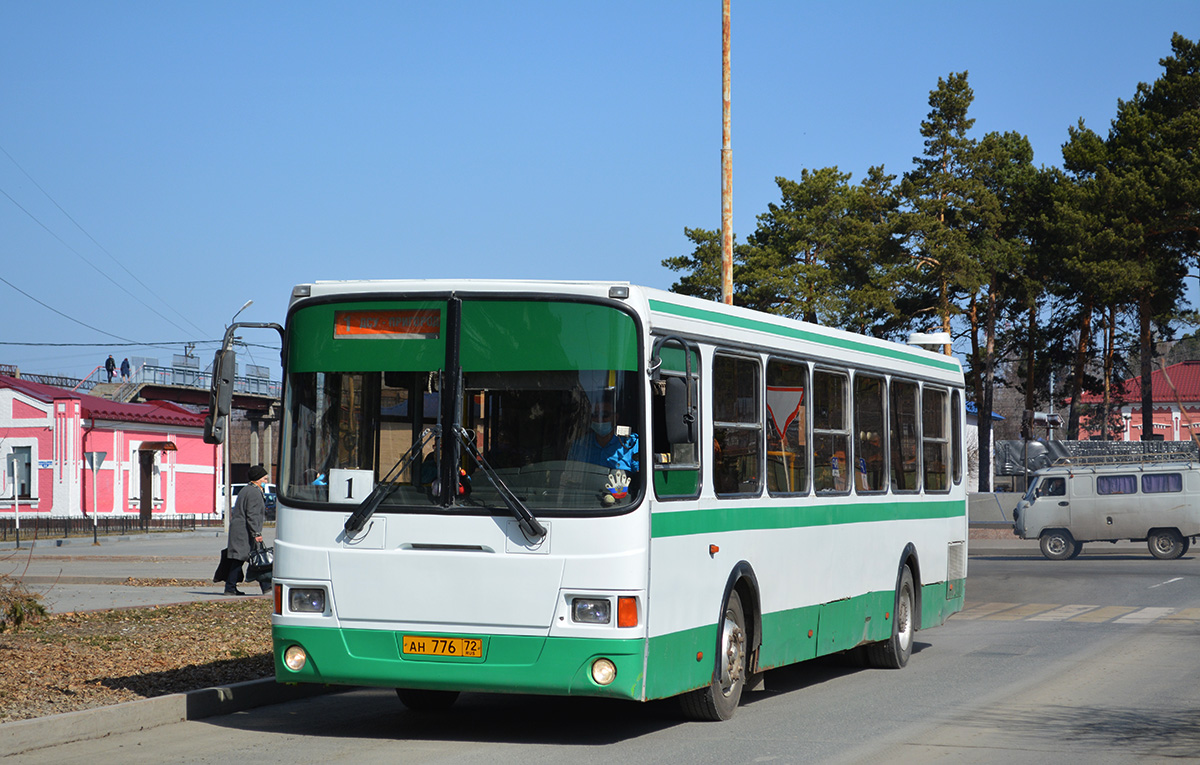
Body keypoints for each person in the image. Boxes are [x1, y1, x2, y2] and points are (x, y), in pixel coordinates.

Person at [568, 399, 639, 504]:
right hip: (584, 504)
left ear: (615, 417)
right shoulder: (580, 445)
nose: (599, 419)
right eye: (594, 415)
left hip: (623, 507)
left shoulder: (631, 444)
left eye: (604, 414)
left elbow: (641, 479)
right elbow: (570, 478)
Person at [224, 464, 270, 595]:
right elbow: (253, 514)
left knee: (250, 558)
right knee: (249, 559)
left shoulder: (246, 489)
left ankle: (265, 586)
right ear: (257, 479)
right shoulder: (254, 492)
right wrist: (256, 533)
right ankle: (230, 587)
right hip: (245, 532)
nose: (266, 481)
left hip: (241, 530)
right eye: (264, 479)